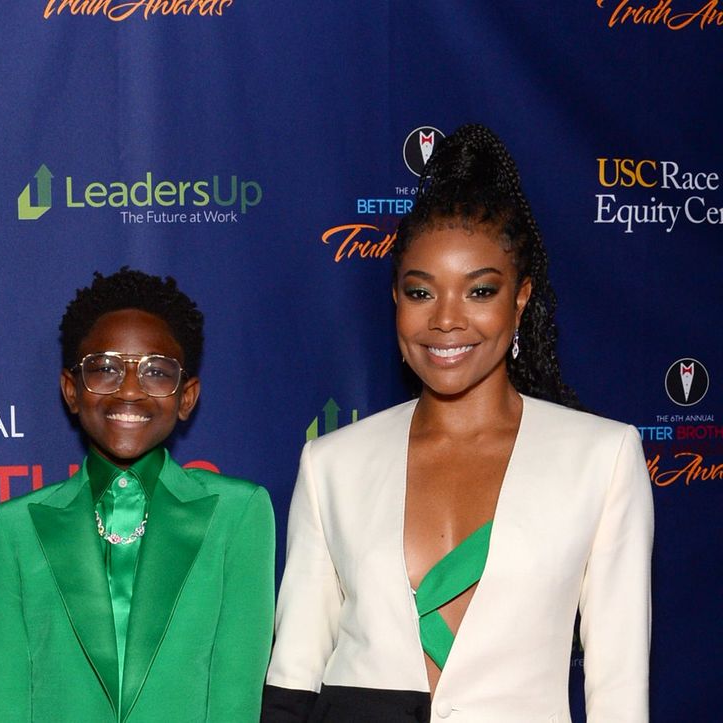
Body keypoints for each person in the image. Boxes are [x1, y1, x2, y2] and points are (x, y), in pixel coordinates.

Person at [263, 124, 653, 721]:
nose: (446, 320)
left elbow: (618, 692)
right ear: (396, 300)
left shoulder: (602, 457)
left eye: (479, 292)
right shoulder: (331, 463)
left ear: (520, 299)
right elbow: (292, 680)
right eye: (421, 293)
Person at [0, 268, 275, 722]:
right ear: (71, 391)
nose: (130, 389)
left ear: (186, 396)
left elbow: (236, 700)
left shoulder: (239, 515)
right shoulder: (11, 529)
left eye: (156, 371)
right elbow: (3, 705)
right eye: (106, 368)